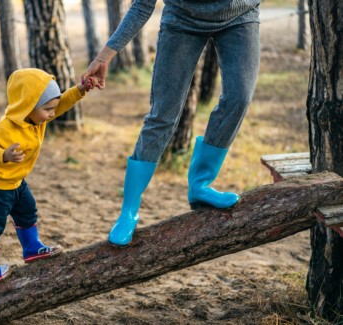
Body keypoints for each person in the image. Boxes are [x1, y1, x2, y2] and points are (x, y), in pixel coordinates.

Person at [82, 1, 261, 246]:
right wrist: (105, 56)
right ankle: (129, 211)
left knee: (238, 99)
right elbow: (142, 6)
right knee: (162, 115)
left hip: (240, 15)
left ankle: (200, 185)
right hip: (182, 20)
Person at [0, 68, 96, 284]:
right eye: (47, 109)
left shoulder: (38, 118)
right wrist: (3, 155)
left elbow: (60, 103)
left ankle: (31, 248)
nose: (52, 114)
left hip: (16, 182)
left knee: (27, 211)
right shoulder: (4, 128)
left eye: (52, 109)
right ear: (28, 106)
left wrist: (80, 89)